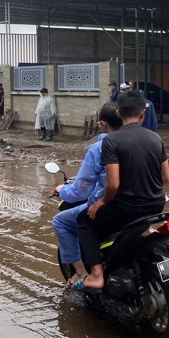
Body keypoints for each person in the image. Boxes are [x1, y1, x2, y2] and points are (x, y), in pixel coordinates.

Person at [74, 91, 169, 291]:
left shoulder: (111, 141)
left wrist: (101, 202)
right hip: (156, 206)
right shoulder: (156, 138)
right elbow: (165, 178)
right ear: (142, 114)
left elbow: (113, 185)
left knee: (84, 220)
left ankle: (96, 275)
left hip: (126, 209)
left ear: (118, 113)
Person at [53, 102, 122, 287]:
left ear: (102, 124)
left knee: (62, 221)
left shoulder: (100, 147)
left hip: (112, 205)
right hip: (145, 203)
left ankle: (84, 273)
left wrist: (63, 191)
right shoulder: (144, 141)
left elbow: (81, 189)